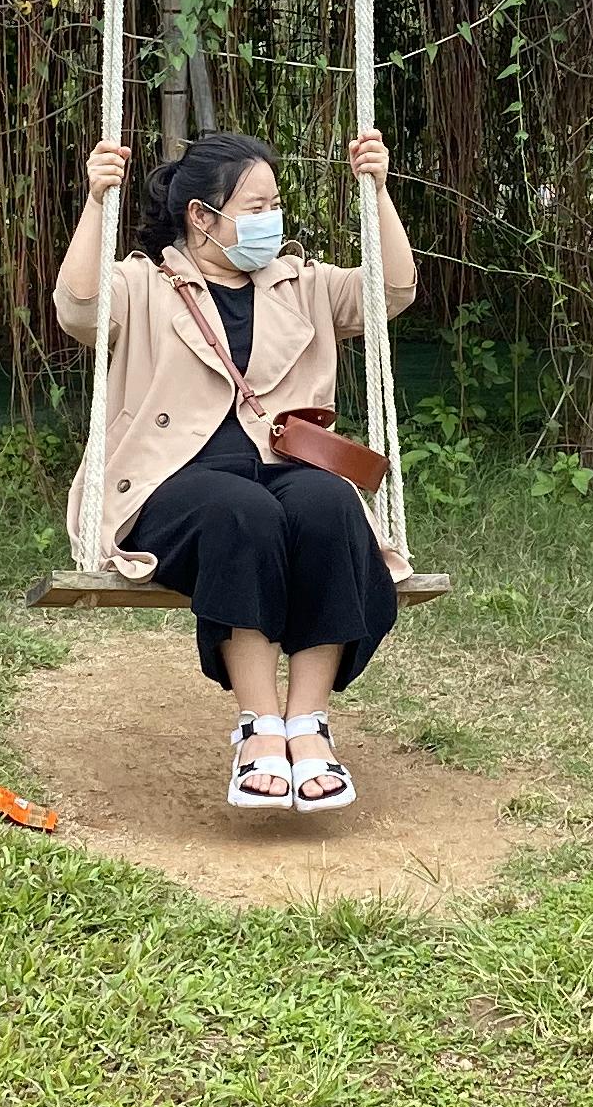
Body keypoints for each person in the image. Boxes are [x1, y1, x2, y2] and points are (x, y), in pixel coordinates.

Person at [56, 127, 420, 811]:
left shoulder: (301, 285)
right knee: (238, 509)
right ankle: (260, 727)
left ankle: (308, 725)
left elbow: (391, 292)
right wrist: (96, 200)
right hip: (172, 486)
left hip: (282, 469)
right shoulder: (146, 284)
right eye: (256, 208)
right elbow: (78, 309)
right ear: (202, 217)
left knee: (329, 506)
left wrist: (379, 192)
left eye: (274, 205)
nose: (271, 220)